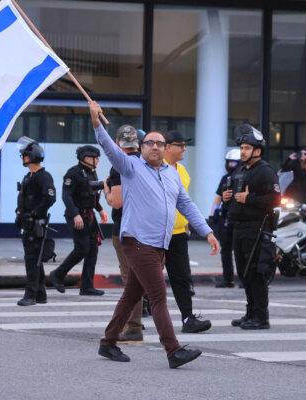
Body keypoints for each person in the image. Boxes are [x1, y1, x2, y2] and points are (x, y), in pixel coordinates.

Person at [90, 101, 220, 369]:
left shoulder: (171, 175)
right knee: (159, 297)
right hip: (138, 243)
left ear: (165, 149)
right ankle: (173, 350)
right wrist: (96, 123)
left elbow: (186, 205)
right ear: (141, 146)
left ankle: (108, 342)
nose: (154, 147)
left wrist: (207, 231)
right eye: (149, 143)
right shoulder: (131, 167)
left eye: (159, 144)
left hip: (159, 245)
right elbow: (109, 148)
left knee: (131, 296)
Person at [224, 124, 280, 330]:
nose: (243, 152)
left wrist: (250, 198)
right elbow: (230, 191)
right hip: (238, 227)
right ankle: (250, 313)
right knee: (244, 273)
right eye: (242, 148)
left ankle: (261, 317)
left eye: (247, 148)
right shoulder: (240, 169)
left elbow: (275, 198)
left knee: (256, 273)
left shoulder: (265, 172)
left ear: (257, 150)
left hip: (257, 227)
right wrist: (226, 196)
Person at [163, 130, 211, 333]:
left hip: (179, 233)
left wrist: (192, 226)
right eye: (180, 145)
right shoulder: (155, 168)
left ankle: (188, 319)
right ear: (167, 147)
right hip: (155, 233)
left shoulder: (182, 170)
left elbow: (184, 202)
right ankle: (133, 319)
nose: (184, 148)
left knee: (181, 277)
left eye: (185, 145)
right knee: (145, 278)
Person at [49, 145, 108, 296]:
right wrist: (75, 214)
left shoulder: (92, 173)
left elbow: (92, 195)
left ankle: (87, 286)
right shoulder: (73, 173)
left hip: (89, 216)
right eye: (95, 158)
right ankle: (58, 274)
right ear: (85, 158)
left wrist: (100, 209)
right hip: (76, 216)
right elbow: (66, 196)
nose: (97, 160)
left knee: (93, 250)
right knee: (82, 248)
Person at [103, 124, 144, 341]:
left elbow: (117, 202)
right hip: (146, 229)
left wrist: (107, 192)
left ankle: (134, 327)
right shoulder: (147, 163)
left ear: (118, 143)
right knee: (143, 277)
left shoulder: (118, 166)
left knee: (131, 279)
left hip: (125, 229)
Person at [15, 137, 56, 306]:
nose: (22, 158)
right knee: (33, 259)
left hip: (36, 224)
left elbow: (50, 198)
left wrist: (34, 214)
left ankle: (30, 295)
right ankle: (41, 294)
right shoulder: (28, 176)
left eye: (24, 155)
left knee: (32, 260)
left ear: (30, 157)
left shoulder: (43, 176)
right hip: (27, 224)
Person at [210, 149, 241, 288]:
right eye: (229, 162)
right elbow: (218, 197)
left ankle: (245, 280)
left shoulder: (245, 177)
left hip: (240, 218)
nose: (231, 165)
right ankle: (228, 279)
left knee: (241, 251)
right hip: (226, 218)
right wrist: (212, 214)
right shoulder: (225, 178)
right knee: (226, 250)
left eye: (234, 162)